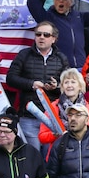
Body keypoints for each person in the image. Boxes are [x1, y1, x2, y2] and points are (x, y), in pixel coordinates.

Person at [6, 21, 69, 151]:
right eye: (38, 34)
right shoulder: (24, 55)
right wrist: (31, 84)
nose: (41, 37)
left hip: (52, 118)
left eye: (46, 35)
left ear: (54, 39)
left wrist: (56, 86)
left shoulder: (62, 58)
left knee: (49, 157)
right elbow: (10, 78)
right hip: (28, 116)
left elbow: (69, 85)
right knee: (32, 157)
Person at [38, 68, 89, 146]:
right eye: (66, 82)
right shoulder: (53, 107)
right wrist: (55, 134)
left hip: (81, 152)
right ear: (62, 86)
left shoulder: (88, 108)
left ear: (80, 86)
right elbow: (42, 137)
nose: (69, 85)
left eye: (73, 82)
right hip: (59, 152)